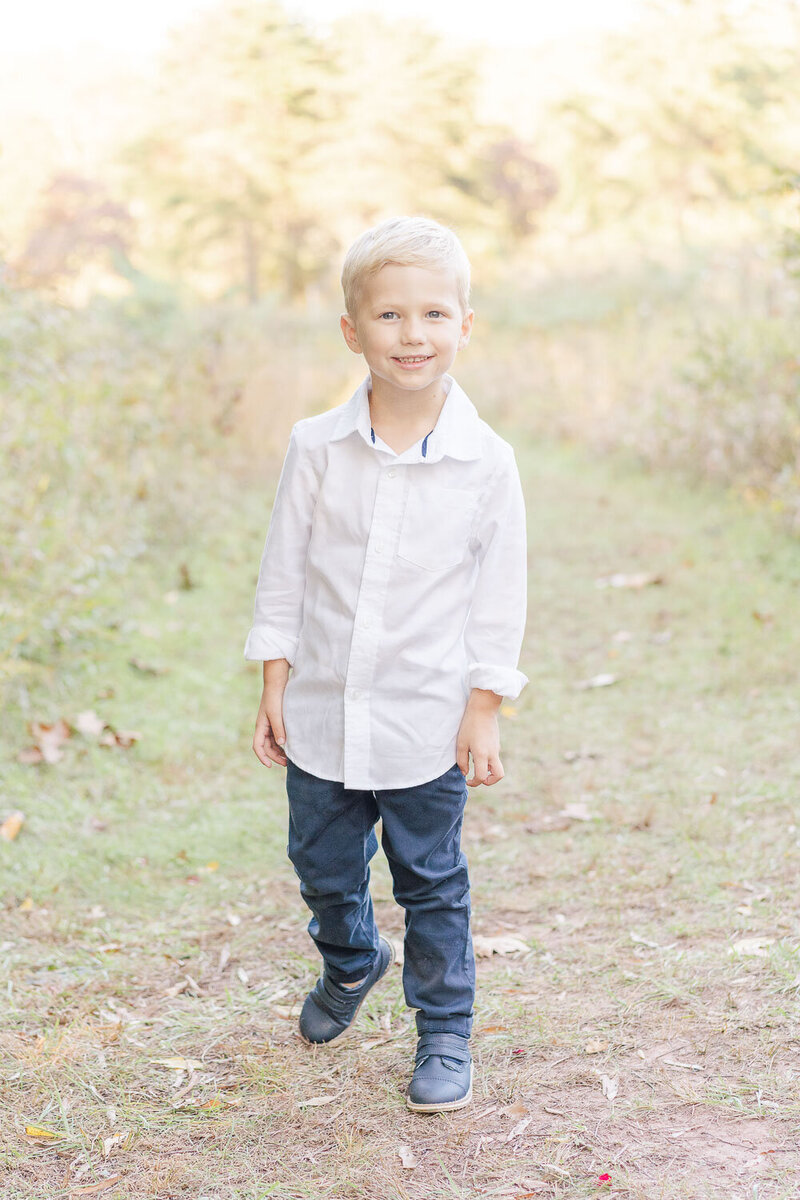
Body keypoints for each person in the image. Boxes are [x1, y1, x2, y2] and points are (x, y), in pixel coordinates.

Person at [244, 216, 528, 1113]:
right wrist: (275, 680)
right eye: (391, 316)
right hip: (326, 710)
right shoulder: (315, 447)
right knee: (322, 866)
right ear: (351, 330)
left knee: (431, 878)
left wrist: (484, 702)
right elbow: (283, 569)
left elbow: (499, 593)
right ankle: (352, 956)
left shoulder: (487, 463)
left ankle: (444, 1029)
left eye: (434, 313)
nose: (414, 335)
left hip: (424, 717)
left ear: (465, 326)